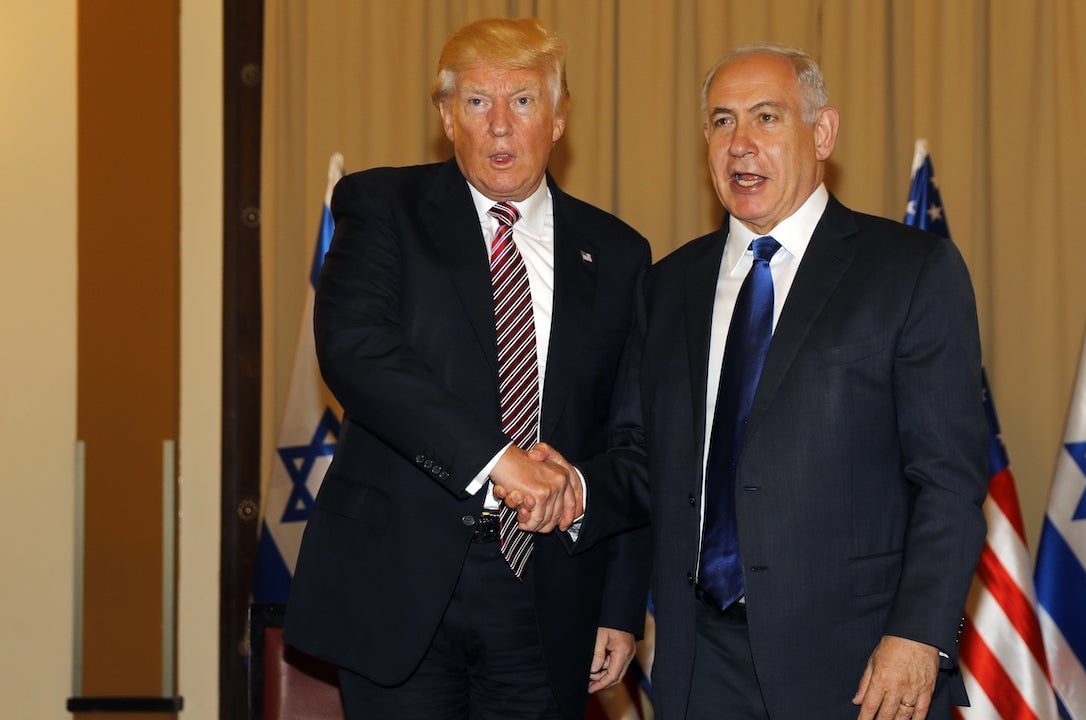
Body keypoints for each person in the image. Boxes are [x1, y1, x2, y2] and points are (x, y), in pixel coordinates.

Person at [577, 44, 988, 719]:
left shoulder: (909, 271)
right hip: (698, 660)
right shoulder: (669, 286)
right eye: (721, 122)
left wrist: (918, 634)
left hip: (859, 664)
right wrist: (582, 519)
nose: (740, 145)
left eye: (767, 118)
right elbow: (641, 461)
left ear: (821, 133)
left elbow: (948, 479)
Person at [282, 17, 652, 720]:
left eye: (524, 101)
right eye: (478, 102)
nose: (501, 127)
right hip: (402, 587)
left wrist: (621, 603)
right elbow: (357, 352)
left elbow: (631, 439)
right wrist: (498, 461)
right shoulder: (381, 207)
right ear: (448, 119)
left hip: (549, 595)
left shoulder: (620, 253)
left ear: (560, 118)